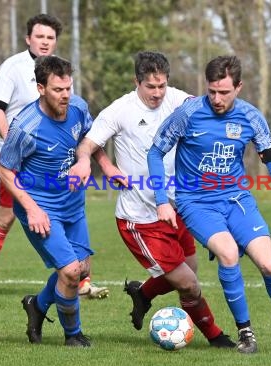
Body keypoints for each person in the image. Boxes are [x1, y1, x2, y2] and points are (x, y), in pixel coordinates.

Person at [147, 55, 271, 354]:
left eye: (224, 92)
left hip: (237, 200)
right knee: (228, 254)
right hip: (197, 203)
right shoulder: (188, 113)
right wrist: (161, 201)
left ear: (239, 87)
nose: (217, 99)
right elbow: (155, 153)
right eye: (212, 91)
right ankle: (246, 333)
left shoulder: (251, 117)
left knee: (270, 265)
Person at [70, 51, 235, 348]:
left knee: (190, 269)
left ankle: (143, 294)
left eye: (162, 86)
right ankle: (216, 337)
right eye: (150, 87)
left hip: (177, 207)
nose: (158, 93)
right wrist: (101, 165)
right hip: (141, 218)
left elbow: (207, 109)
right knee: (187, 283)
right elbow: (87, 144)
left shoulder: (178, 100)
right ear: (137, 81)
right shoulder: (120, 110)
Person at [0, 14, 108, 300]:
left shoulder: (59, 70)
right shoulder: (13, 67)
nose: (45, 42)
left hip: (55, 160)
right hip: (17, 157)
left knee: (71, 210)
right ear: (28, 38)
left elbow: (73, 117)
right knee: (4, 217)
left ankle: (81, 280)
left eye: (50, 38)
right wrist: (15, 143)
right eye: (40, 36)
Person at [0, 55, 104, 346]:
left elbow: (90, 140)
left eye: (68, 88)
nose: (66, 95)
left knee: (81, 269)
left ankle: (37, 305)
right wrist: (32, 209)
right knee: (70, 272)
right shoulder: (26, 126)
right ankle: (73, 335)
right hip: (40, 208)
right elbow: (4, 169)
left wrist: (99, 165)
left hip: (73, 204)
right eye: (58, 90)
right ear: (41, 89)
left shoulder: (79, 107)